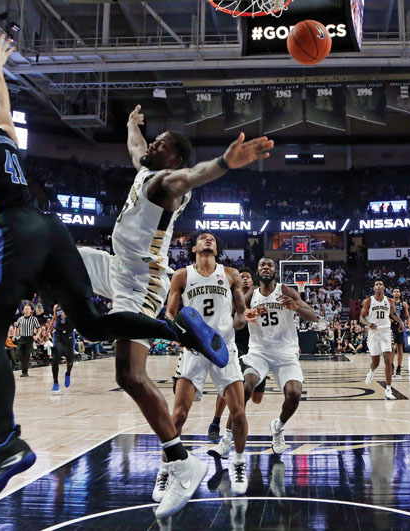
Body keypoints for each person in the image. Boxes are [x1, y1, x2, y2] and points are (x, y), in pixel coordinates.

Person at [0, 33, 233, 506]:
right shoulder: (5, 134)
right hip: (54, 234)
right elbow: (5, 106)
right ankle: (175, 332)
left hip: (57, 247)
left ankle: (7, 442)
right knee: (91, 324)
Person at [77, 104, 273, 518]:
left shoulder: (169, 184)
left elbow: (192, 175)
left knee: (134, 377)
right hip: (120, 268)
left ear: (175, 158)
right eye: (155, 139)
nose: (153, 144)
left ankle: (213, 462)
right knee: (56, 254)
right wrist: (131, 125)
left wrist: (224, 162)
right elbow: (136, 150)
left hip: (151, 290)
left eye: (162, 143)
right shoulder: (148, 173)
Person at [155, 231, 257, 502]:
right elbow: (170, 313)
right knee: (178, 415)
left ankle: (238, 462)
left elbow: (239, 315)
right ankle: (166, 469)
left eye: (212, 238)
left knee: (238, 411)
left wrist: (245, 317)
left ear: (217, 248)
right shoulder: (182, 276)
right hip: (194, 349)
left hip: (224, 346)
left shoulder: (231, 274)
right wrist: (180, 332)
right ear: (193, 248)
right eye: (203, 238)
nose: (208, 239)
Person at [224, 257, 317, 455]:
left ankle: (278, 426)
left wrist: (296, 307)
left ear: (276, 271)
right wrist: (245, 316)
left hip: (286, 352)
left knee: (294, 394)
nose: (266, 267)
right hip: (259, 352)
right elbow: (236, 324)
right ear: (258, 271)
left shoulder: (286, 291)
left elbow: (312, 316)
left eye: (270, 265)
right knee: (245, 388)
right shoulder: (250, 296)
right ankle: (227, 437)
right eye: (262, 265)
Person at [207, 267, 266, 442]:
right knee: (229, 383)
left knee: (257, 398)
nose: (245, 279)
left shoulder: (261, 297)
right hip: (235, 343)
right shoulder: (232, 297)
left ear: (253, 281)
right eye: (242, 277)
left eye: (248, 277)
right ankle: (216, 422)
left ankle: (236, 416)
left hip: (257, 347)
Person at [361, 280, 404, 400]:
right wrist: (368, 324)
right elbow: (361, 317)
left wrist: (400, 322)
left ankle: (388, 389)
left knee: (387, 359)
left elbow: (393, 314)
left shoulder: (389, 301)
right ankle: (371, 372)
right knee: (376, 362)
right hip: (373, 332)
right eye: (377, 284)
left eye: (381, 284)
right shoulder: (369, 301)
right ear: (374, 288)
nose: (379, 286)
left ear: (384, 287)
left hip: (385, 331)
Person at [49, 304, 75, 392]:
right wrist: (48, 330)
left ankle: (68, 373)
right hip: (58, 334)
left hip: (69, 333)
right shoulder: (56, 306)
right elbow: (54, 318)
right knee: (55, 358)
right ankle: (55, 383)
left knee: (70, 358)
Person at [14, 305, 40, 378]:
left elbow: (39, 328)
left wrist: (37, 336)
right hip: (21, 338)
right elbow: (16, 327)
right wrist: (15, 335)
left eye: (28, 309)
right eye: (25, 309)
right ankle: (23, 364)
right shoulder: (20, 318)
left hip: (29, 338)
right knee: (18, 354)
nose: (27, 310)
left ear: (31, 311)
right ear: (23, 311)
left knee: (26, 356)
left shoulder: (33, 319)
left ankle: (25, 372)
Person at [390, 287, 410, 377]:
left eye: (397, 291)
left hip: (400, 327)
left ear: (400, 293)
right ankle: (391, 365)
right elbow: (385, 315)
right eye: (394, 291)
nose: (396, 293)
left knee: (400, 348)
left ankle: (399, 367)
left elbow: (407, 316)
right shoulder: (389, 303)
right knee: (391, 347)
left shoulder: (404, 304)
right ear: (392, 293)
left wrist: (409, 323)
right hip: (391, 327)